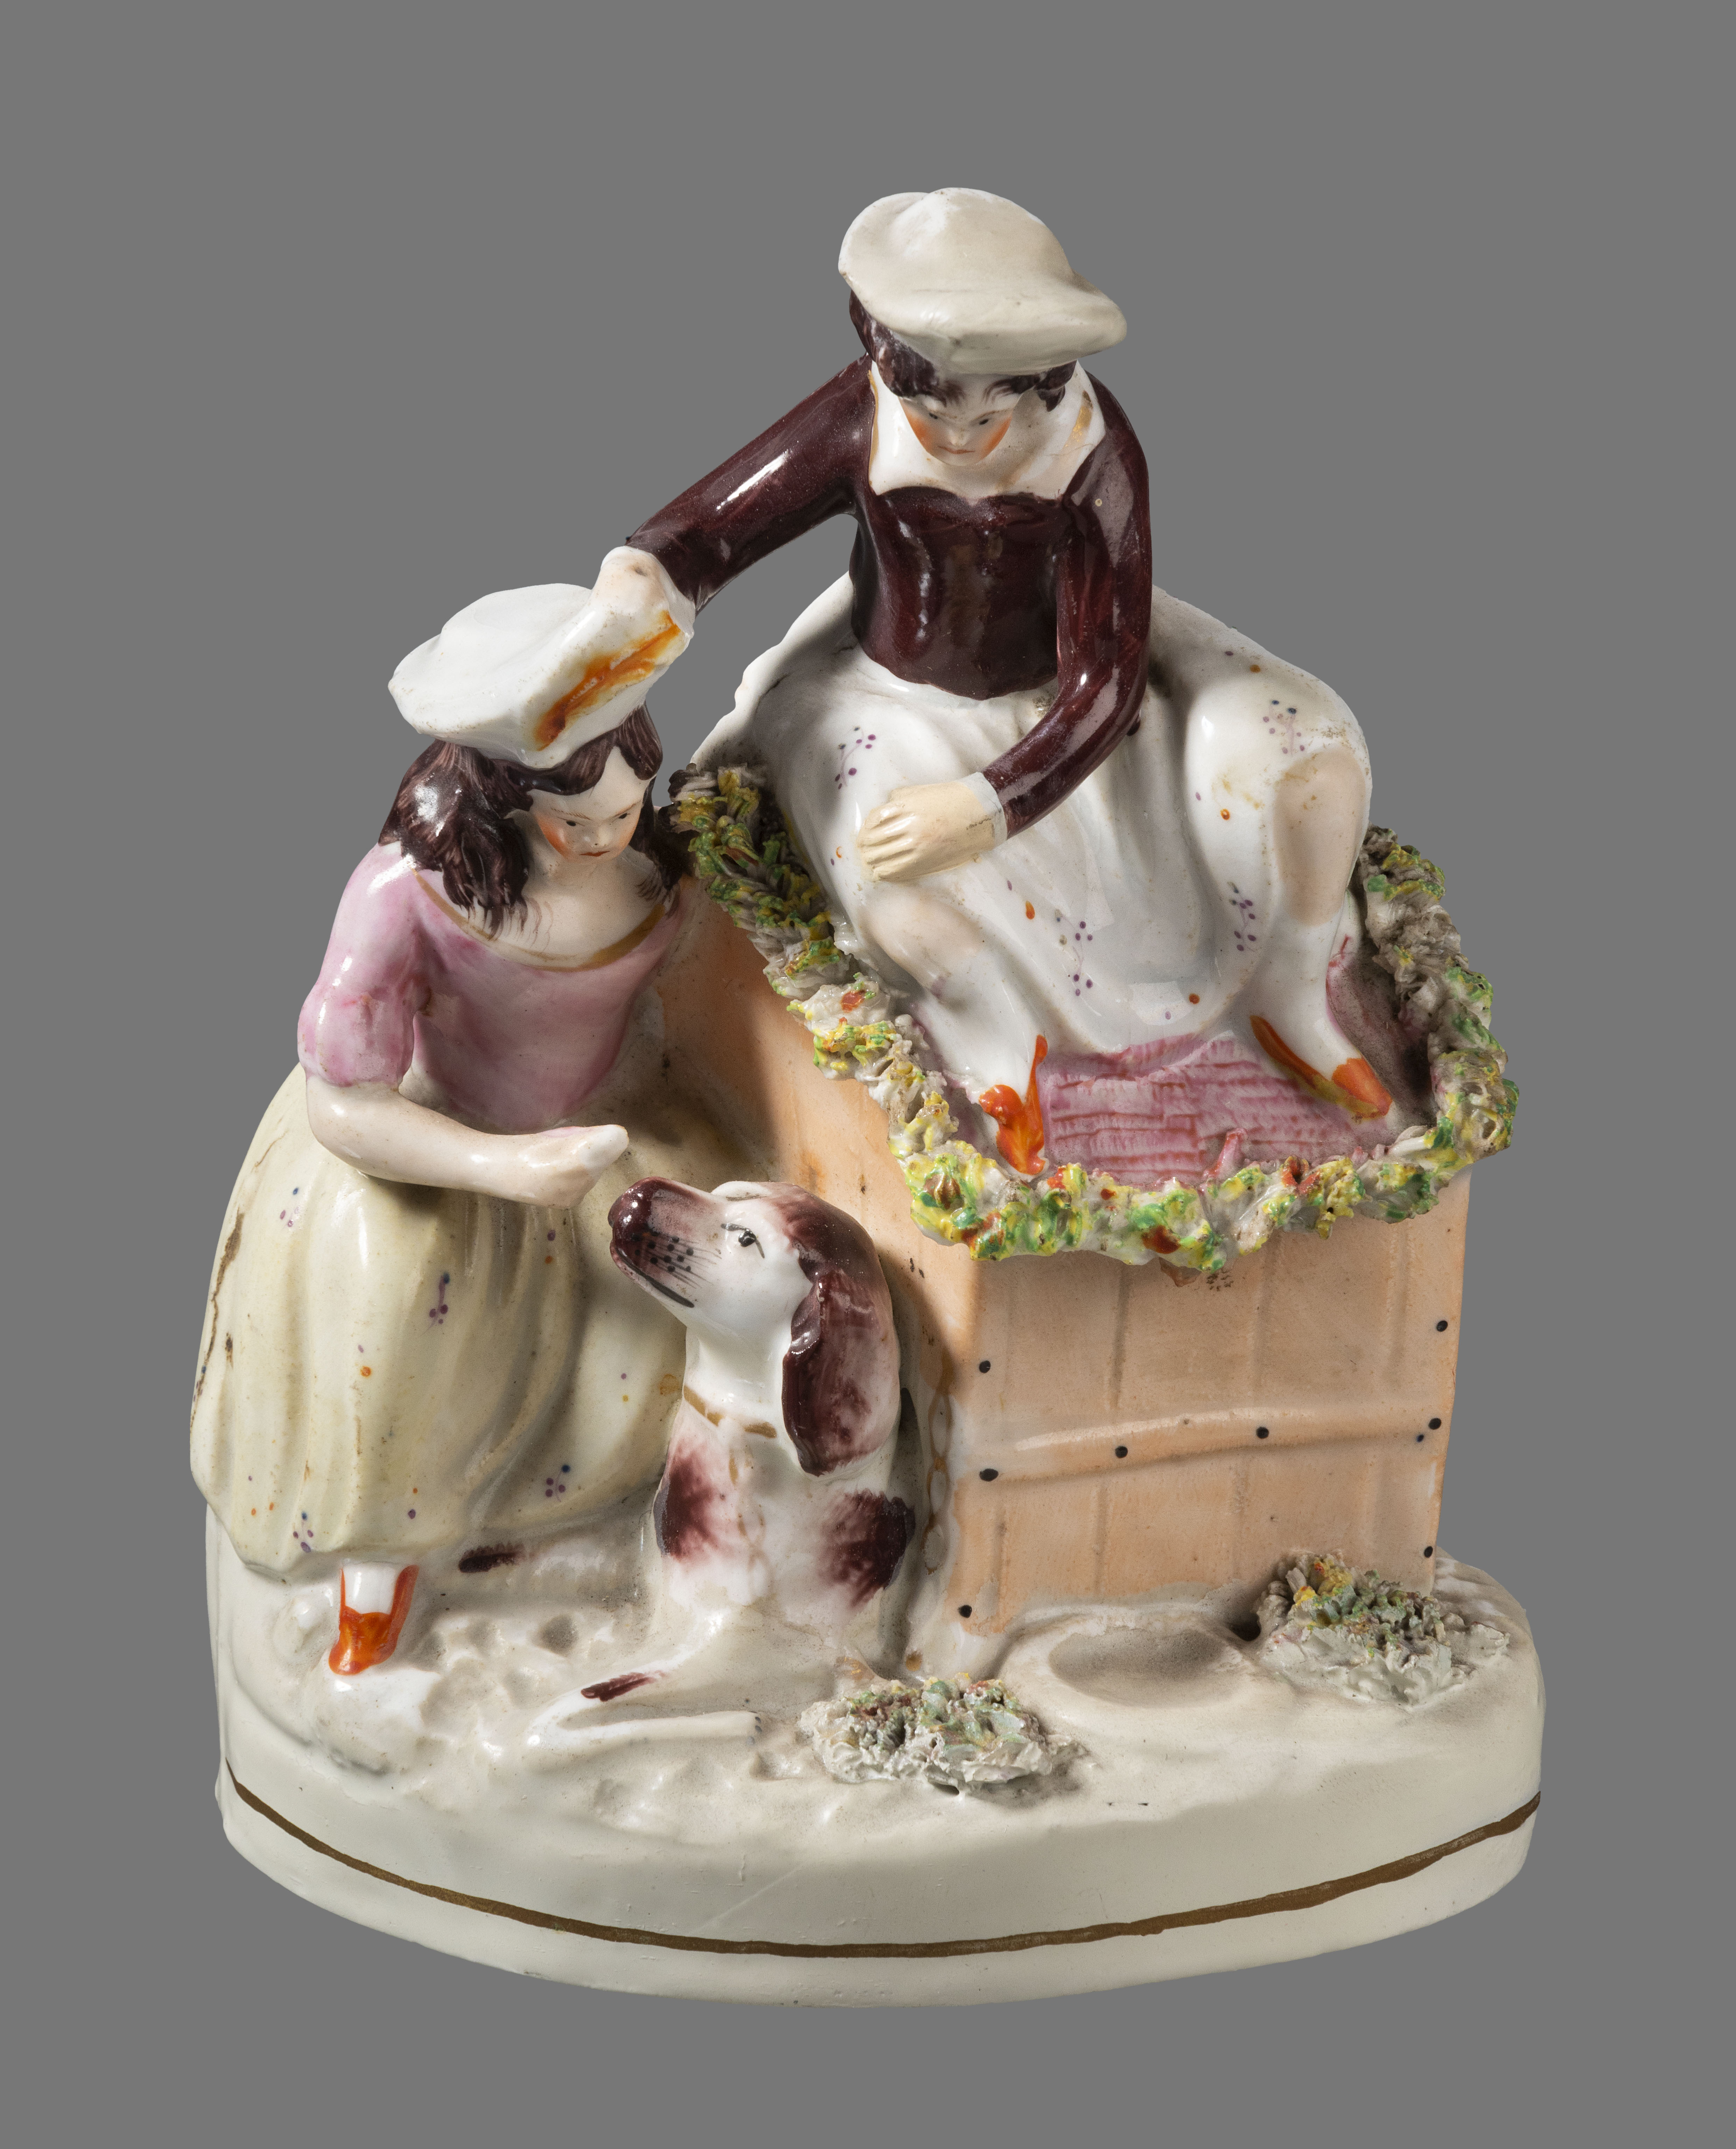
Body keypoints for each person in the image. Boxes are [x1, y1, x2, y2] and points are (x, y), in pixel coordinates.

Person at [544, 189, 1395, 1183]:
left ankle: (1289, 994)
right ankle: (997, 1051)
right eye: (932, 410)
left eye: (994, 411)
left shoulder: (1090, 450)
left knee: (1311, 752)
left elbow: (1107, 670)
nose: (960, 438)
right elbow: (709, 530)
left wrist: (988, 805)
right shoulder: (860, 417)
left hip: (1068, 711)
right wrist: (640, 579)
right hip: (890, 695)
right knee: (892, 876)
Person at [191, 586, 689, 1674]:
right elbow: (342, 1105)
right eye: (574, 823)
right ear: (501, 802)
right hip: (439, 1148)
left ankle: (602, 1545)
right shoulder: (405, 897)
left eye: (625, 812)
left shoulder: (659, 863)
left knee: (683, 1312)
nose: (606, 840)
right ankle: (376, 1586)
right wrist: (500, 1167)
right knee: (400, 1344)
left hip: (603, 1133)